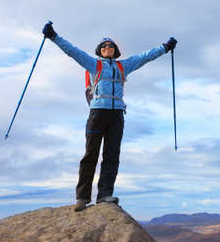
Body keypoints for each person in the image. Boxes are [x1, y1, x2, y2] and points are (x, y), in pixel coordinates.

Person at [42, 22, 177, 212]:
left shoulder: (124, 66)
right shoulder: (93, 64)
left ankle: (104, 195)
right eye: (104, 46)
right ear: (100, 50)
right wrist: (54, 36)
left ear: (115, 51)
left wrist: (165, 47)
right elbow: (72, 51)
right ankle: (82, 197)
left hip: (116, 115)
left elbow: (146, 57)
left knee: (112, 155)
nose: (108, 48)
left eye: (111, 46)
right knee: (91, 154)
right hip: (97, 112)